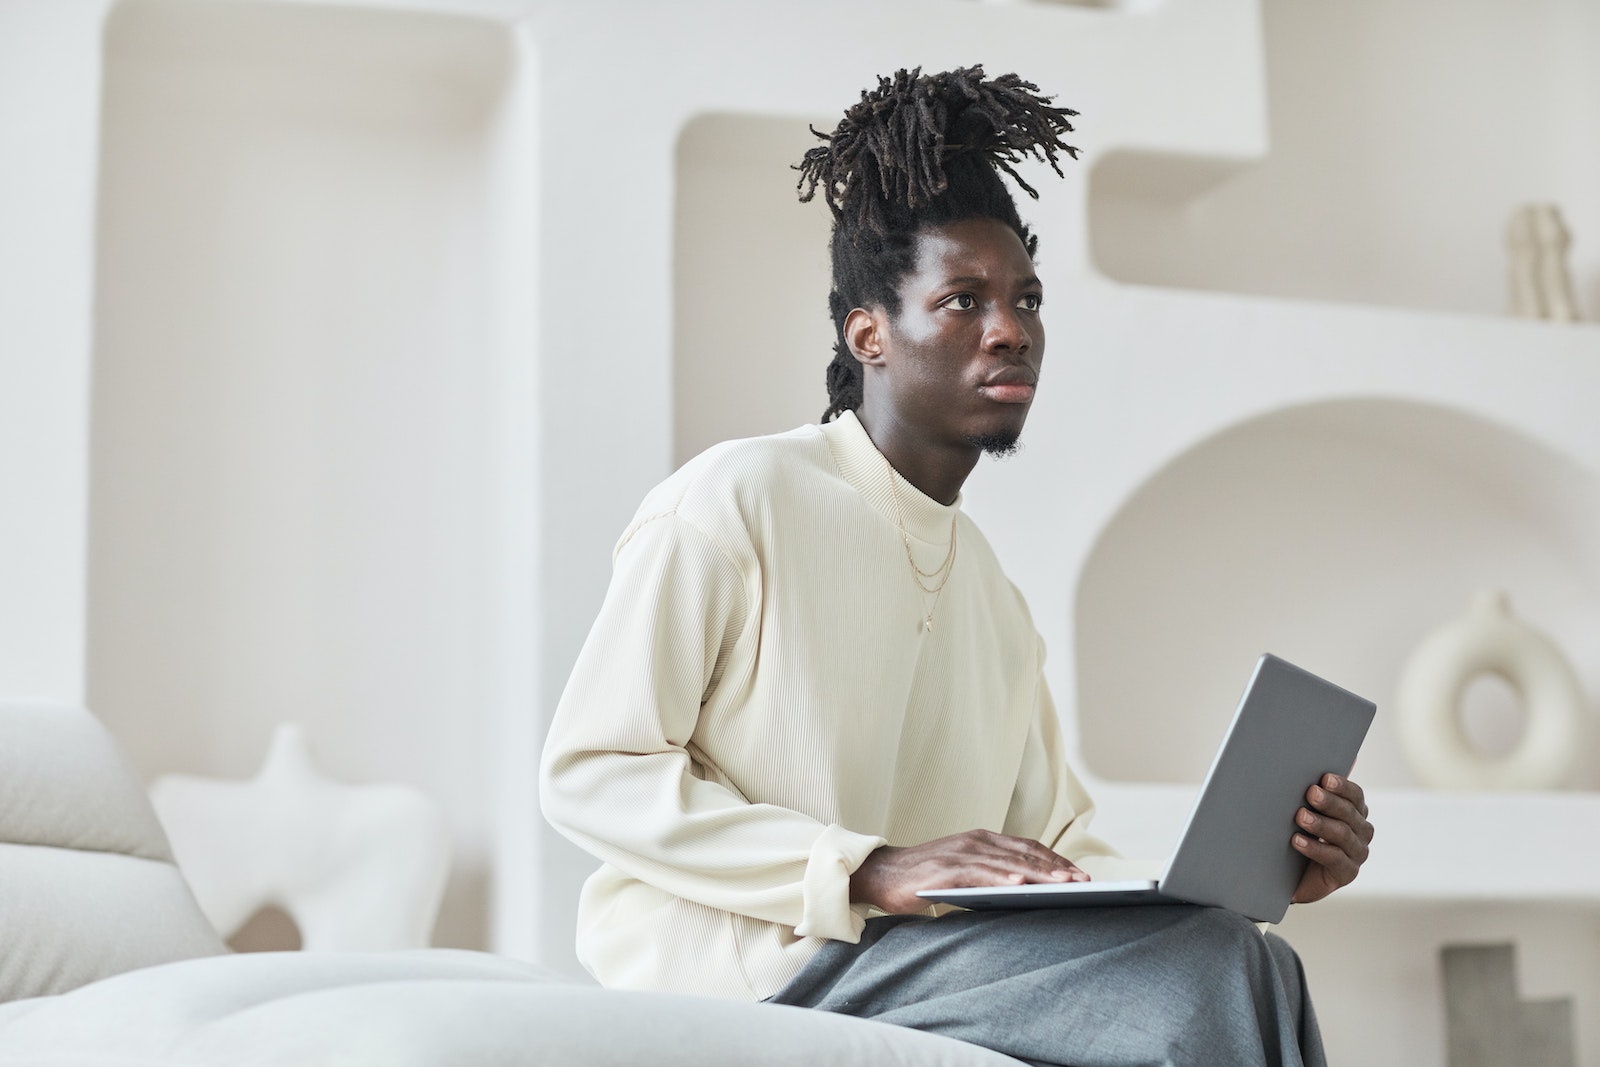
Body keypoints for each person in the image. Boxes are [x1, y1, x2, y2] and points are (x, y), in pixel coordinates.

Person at [539, 66, 1373, 1067]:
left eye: (1024, 299)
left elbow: (1055, 850)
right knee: (1208, 971)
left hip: (925, 952)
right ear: (870, 334)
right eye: (963, 300)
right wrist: (865, 866)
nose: (1010, 327)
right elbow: (591, 771)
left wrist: (1261, 875)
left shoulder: (992, 595)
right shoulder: (735, 499)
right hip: (764, 958)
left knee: (1249, 956)